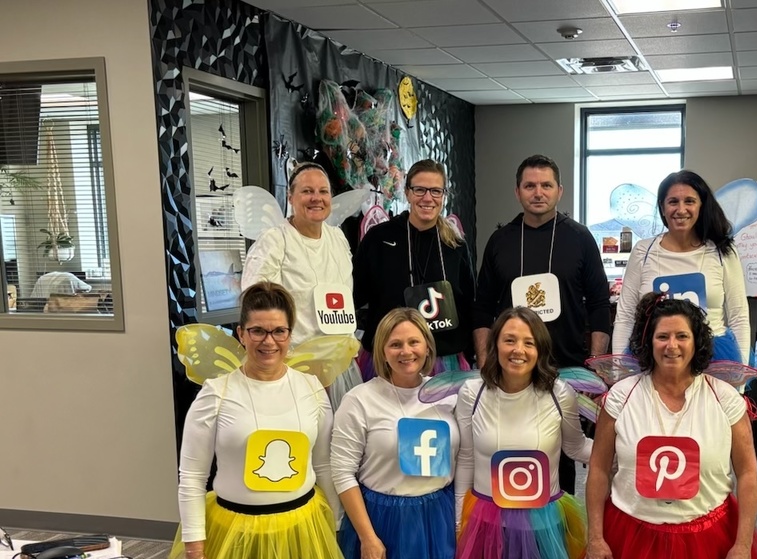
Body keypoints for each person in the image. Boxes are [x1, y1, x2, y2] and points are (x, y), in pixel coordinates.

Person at [585, 292, 757, 559]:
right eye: (662, 336)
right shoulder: (621, 396)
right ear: (647, 341)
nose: (672, 346)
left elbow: (749, 472)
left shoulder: (725, 398)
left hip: (704, 535)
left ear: (697, 340)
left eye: (681, 336)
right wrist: (595, 535)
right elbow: (600, 469)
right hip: (637, 532)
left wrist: (742, 543)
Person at [172, 282, 344, 559]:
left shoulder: (311, 389)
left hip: (300, 526)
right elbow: (192, 478)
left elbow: (324, 466)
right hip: (239, 529)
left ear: (290, 334)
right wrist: (195, 554)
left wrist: (333, 529)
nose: (269, 341)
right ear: (241, 334)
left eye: (279, 331)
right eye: (258, 331)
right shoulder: (216, 393)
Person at [473, 154, 610, 494]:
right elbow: (482, 308)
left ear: (559, 191)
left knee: (560, 455)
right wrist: (484, 360)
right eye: (530, 185)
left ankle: (557, 526)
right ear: (517, 192)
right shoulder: (500, 240)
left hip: (565, 367)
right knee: (507, 446)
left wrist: (593, 367)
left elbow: (598, 305)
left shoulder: (580, 239)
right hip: (510, 369)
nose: (538, 193)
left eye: (546, 185)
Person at [454, 306, 591, 559]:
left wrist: (624, 456)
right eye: (510, 340)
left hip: (542, 520)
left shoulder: (561, 394)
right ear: (495, 344)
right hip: (488, 520)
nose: (519, 350)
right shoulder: (472, 393)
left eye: (528, 343)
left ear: (540, 349)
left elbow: (577, 447)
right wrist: (459, 518)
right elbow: (467, 459)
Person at [330, 308, 459, 559]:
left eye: (414, 342)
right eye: (395, 344)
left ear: (428, 347)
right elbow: (342, 472)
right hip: (381, 519)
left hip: (434, 515)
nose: (406, 352)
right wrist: (368, 539)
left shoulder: (448, 395)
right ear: (382, 351)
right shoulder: (360, 399)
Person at [241, 161, 362, 405]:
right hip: (295, 368)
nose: (316, 198)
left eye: (323, 191)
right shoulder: (275, 241)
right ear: (291, 197)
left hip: (340, 367)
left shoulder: (337, 237)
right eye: (307, 191)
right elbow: (254, 305)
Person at [611, 170, 751, 365]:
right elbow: (625, 316)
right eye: (673, 201)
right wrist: (620, 371)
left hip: (713, 357)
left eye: (690, 201)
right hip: (656, 358)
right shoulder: (643, 251)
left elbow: (739, 317)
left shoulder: (722, 251)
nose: (681, 209)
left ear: (702, 205)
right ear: (662, 207)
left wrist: (740, 377)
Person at [353, 159, 475, 377]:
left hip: (444, 360)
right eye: (419, 190)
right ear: (407, 193)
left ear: (443, 196)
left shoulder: (455, 246)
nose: (427, 198)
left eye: (436, 191)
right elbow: (355, 296)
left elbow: (469, 306)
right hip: (389, 359)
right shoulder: (379, 239)